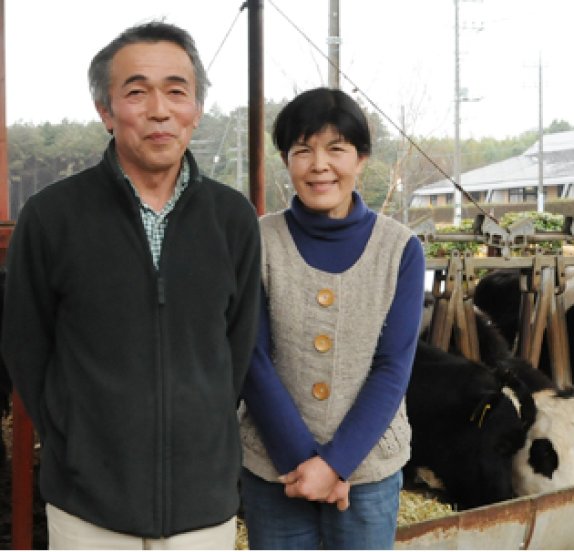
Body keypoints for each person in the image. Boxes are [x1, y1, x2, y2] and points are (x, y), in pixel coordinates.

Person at [0, 22, 261, 548]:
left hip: (202, 508)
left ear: (197, 108)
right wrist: (74, 441)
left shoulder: (232, 218)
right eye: (137, 92)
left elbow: (235, 349)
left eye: (176, 91)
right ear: (105, 110)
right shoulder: (52, 216)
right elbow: (26, 346)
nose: (159, 110)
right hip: (87, 509)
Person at [238, 87, 425, 549]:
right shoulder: (258, 240)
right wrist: (305, 464)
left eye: (336, 149)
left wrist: (335, 465)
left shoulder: (400, 249)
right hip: (275, 467)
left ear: (361, 159)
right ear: (287, 161)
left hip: (367, 473)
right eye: (303, 150)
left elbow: (392, 368)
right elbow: (252, 358)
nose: (319, 165)